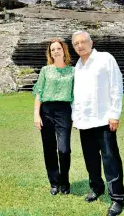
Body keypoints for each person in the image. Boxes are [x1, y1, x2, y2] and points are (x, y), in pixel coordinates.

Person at [71, 31, 124, 216]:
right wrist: (75, 116)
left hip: (103, 119)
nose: (80, 46)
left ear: (91, 42)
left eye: (83, 42)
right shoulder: (78, 66)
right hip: (84, 121)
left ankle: (117, 197)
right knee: (90, 159)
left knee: (110, 158)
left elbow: (116, 86)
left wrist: (114, 114)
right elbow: (77, 95)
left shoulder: (105, 59)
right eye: (76, 43)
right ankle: (96, 187)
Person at [32, 38, 75, 195]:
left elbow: (77, 94)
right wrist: (36, 114)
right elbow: (39, 92)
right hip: (46, 111)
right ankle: (55, 183)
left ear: (64, 50)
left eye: (58, 48)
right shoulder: (45, 70)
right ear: (50, 53)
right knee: (49, 148)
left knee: (64, 149)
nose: (55, 51)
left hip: (64, 111)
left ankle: (65, 181)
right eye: (52, 50)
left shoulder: (73, 71)